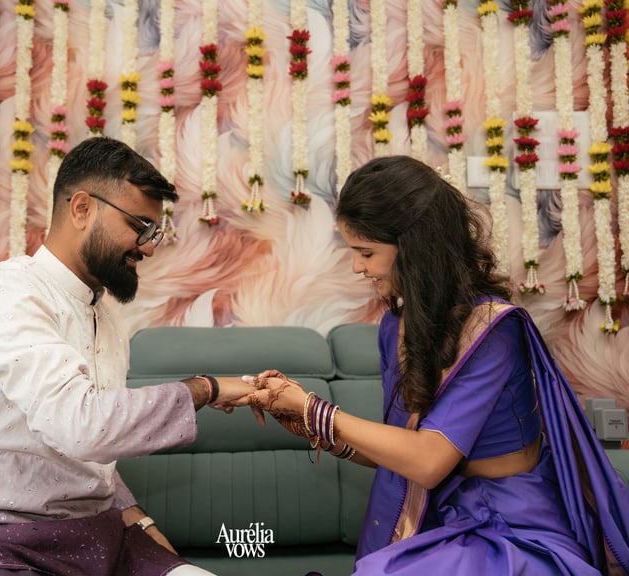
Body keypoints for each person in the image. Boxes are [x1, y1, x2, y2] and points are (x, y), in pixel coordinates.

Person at [229, 155, 629, 574]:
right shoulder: (395, 327)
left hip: (513, 525)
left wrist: (314, 409)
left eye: (366, 252)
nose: (358, 267)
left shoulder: (492, 330)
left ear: (414, 248)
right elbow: (403, 450)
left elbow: (428, 461)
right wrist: (307, 421)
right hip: (448, 514)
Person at [0, 136, 253, 576]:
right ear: (82, 208)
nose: (149, 247)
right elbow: (82, 427)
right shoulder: (9, 290)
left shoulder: (108, 318)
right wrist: (206, 389)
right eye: (140, 226)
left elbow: (88, 455)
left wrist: (137, 518)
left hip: (92, 538)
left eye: (154, 232)